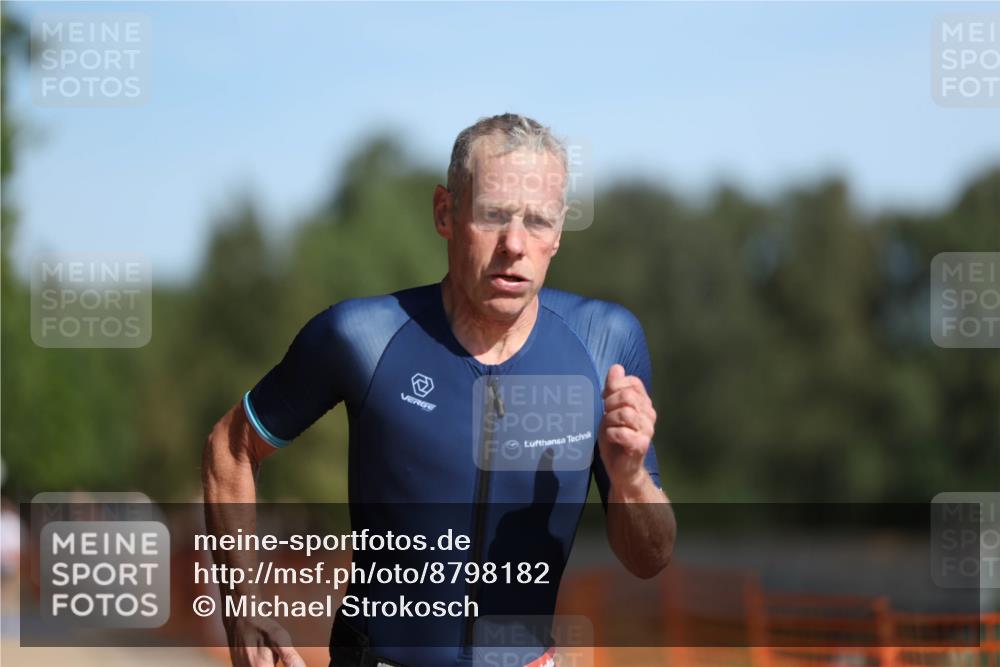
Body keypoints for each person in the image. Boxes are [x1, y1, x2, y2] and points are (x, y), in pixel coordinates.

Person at [202, 113, 676, 667]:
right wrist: (244, 611)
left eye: (538, 222)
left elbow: (649, 558)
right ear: (446, 213)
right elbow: (230, 448)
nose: (514, 244)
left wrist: (631, 478)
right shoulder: (362, 336)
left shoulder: (603, 343)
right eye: (493, 216)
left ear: (560, 233)